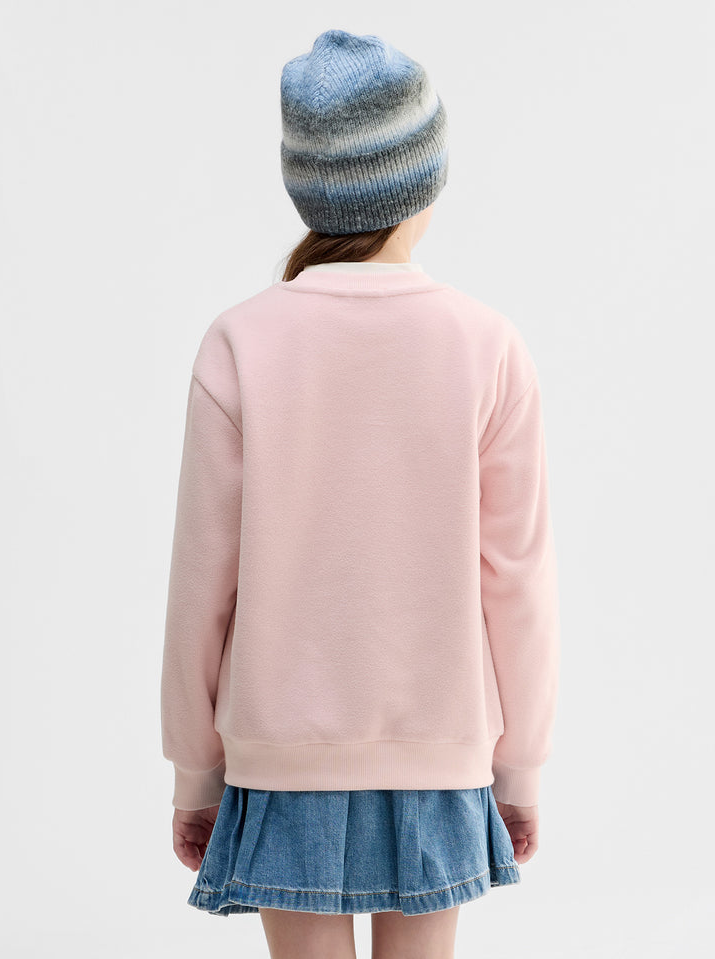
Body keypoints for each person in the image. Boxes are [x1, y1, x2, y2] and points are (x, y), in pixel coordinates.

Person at [160, 27, 560, 959]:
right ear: (426, 182)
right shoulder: (487, 345)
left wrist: (195, 771)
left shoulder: (240, 342)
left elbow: (200, 586)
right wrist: (521, 765)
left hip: (280, 757)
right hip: (441, 749)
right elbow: (519, 583)